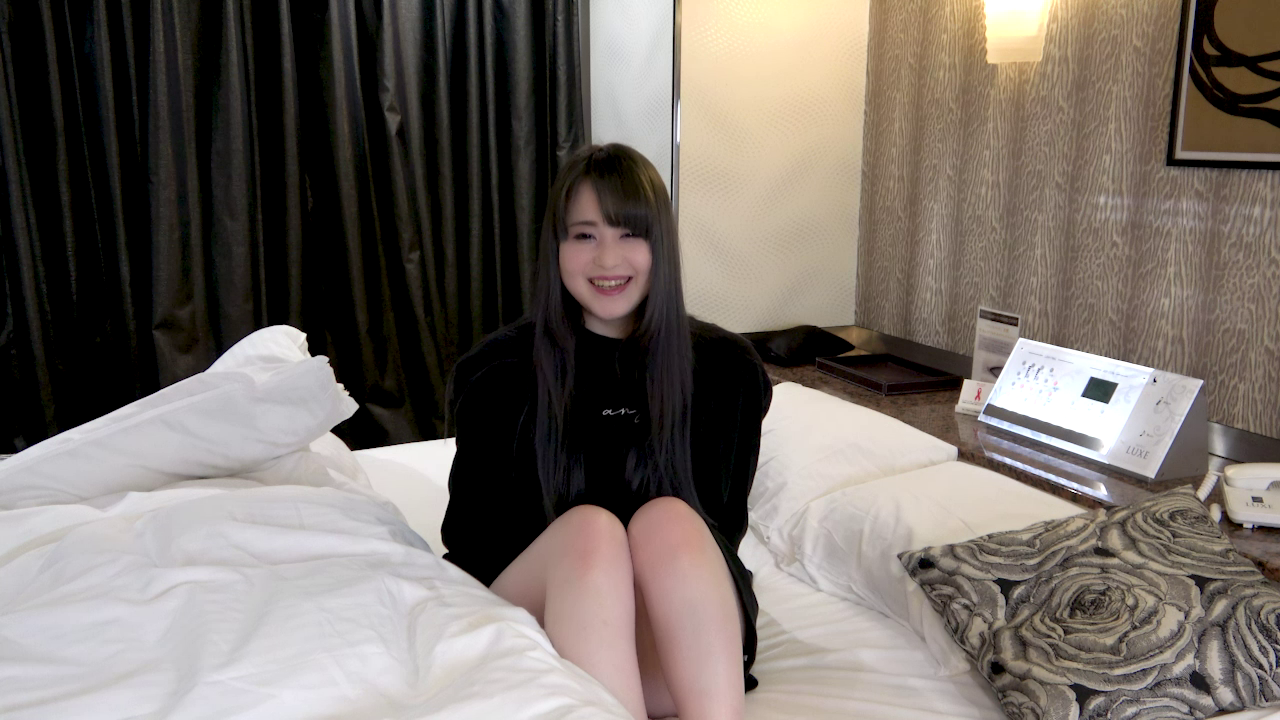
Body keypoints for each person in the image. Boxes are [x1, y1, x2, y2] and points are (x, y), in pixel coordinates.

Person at [441, 143, 771, 720]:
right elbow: (472, 547)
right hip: (540, 629)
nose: (607, 258)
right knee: (590, 533)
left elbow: (721, 528)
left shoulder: (727, 371)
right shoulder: (499, 372)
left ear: (659, 245)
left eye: (629, 233)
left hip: (674, 648)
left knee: (670, 519)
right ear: (557, 246)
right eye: (585, 235)